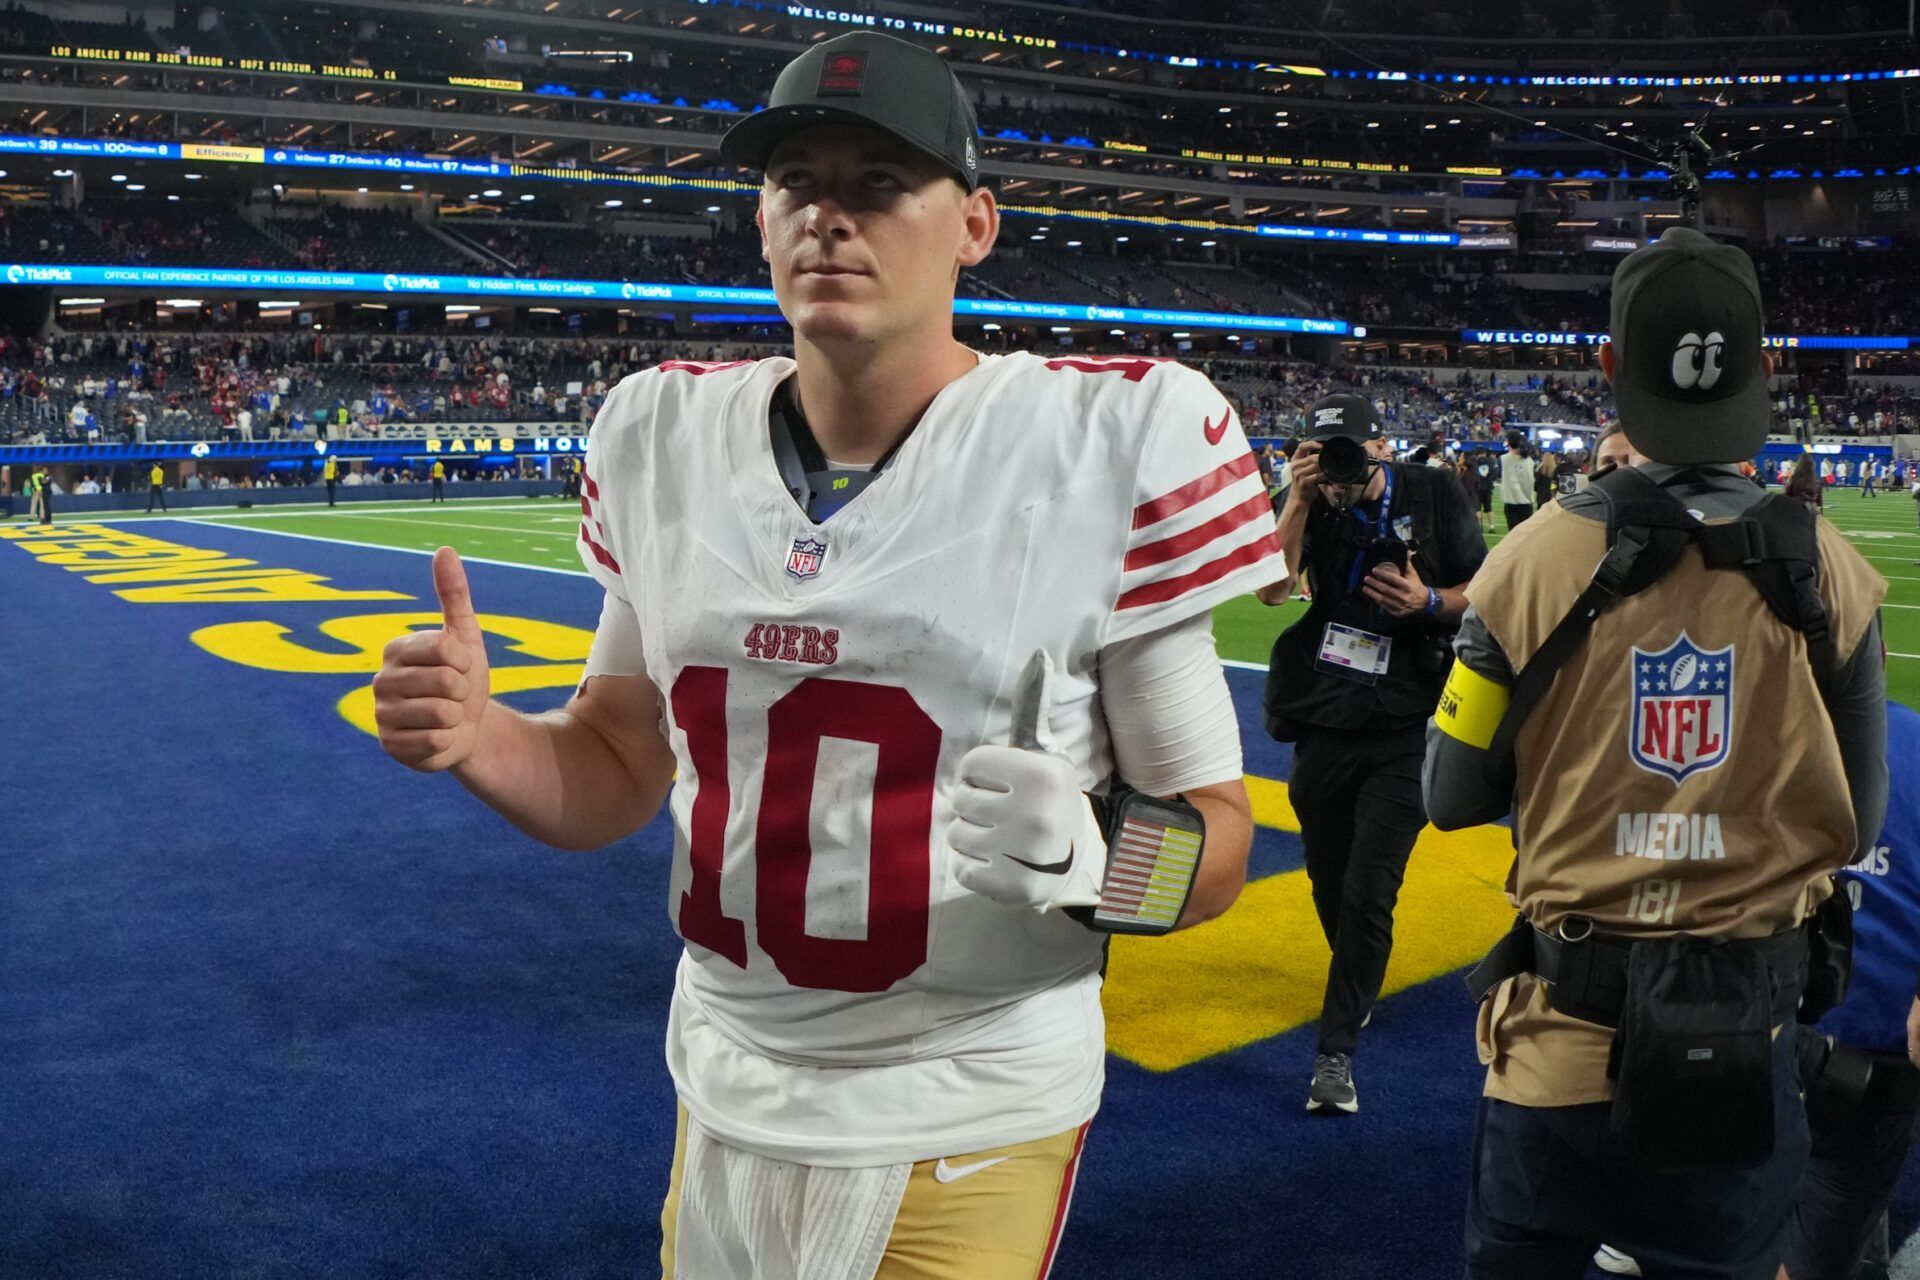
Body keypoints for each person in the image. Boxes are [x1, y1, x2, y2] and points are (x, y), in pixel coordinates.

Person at [370, 29, 1285, 1280]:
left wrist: (1096, 855)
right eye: (797, 182)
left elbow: (1218, 840)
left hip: (968, 1104)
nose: (829, 219)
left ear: (974, 223)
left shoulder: (1113, 439)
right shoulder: (658, 431)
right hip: (724, 1078)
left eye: (878, 184)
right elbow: (615, 765)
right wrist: (486, 739)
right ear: (758, 218)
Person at [1423, 227, 1888, 1280]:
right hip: (1743, 1042)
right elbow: (1855, 818)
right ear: (1766, 372)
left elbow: (1449, 794)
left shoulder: (1523, 563)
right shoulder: (1839, 575)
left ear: (1607, 369)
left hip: (1558, 1047)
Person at [1256, 392, 1487, 1115]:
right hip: (1328, 710)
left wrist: (1426, 602)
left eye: (1349, 457)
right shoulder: (1306, 501)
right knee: (1327, 876)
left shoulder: (1435, 490)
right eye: (1324, 460)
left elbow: (1485, 592)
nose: (1338, 475)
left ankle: (1335, 1053)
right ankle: (1357, 975)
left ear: (1381, 448)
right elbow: (1269, 589)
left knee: (1367, 887)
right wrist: (1296, 501)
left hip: (1410, 715)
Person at [1498, 430, 1534, 531]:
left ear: (1509, 442)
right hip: (1527, 503)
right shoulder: (1530, 461)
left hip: (1511, 503)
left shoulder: (1503, 459)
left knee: (1513, 535)